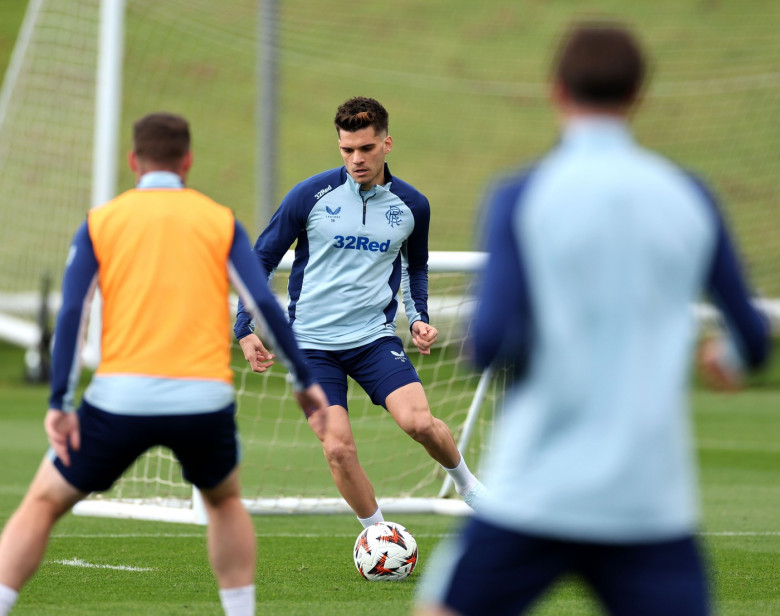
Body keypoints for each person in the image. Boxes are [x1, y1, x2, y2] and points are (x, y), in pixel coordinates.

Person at [415, 23, 771, 616]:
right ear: (638, 96)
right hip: (647, 502)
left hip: (537, 489)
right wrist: (724, 358)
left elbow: (492, 342)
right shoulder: (689, 196)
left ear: (556, 91)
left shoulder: (521, 194)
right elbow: (753, 340)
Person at [0, 112, 328, 616]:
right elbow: (264, 302)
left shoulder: (101, 222)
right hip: (204, 401)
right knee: (224, 501)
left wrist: (59, 402)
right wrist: (304, 378)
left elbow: (72, 313)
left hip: (118, 401)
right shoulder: (219, 220)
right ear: (187, 162)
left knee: (42, 502)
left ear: (134, 161)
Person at [234, 96, 485, 528]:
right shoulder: (309, 195)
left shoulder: (412, 206)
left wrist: (419, 315)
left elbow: (416, 264)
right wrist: (245, 325)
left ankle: (469, 487)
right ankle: (379, 535)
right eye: (347, 149)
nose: (356, 159)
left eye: (366, 149)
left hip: (373, 339)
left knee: (420, 423)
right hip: (310, 348)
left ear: (387, 144)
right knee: (337, 448)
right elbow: (260, 259)